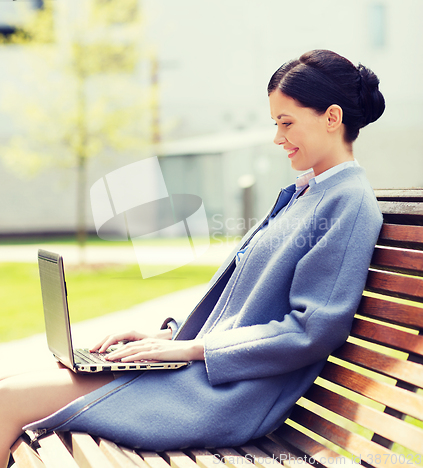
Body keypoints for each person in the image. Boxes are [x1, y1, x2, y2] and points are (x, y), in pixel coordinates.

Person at [0, 49, 385, 467]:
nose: (277, 138)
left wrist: (191, 350)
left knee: (7, 400)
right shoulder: (307, 194)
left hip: (221, 394)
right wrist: (168, 339)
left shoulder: (349, 204)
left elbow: (311, 330)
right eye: (275, 123)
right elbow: (244, 311)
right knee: (9, 387)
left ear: (332, 118)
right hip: (201, 375)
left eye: (286, 123)